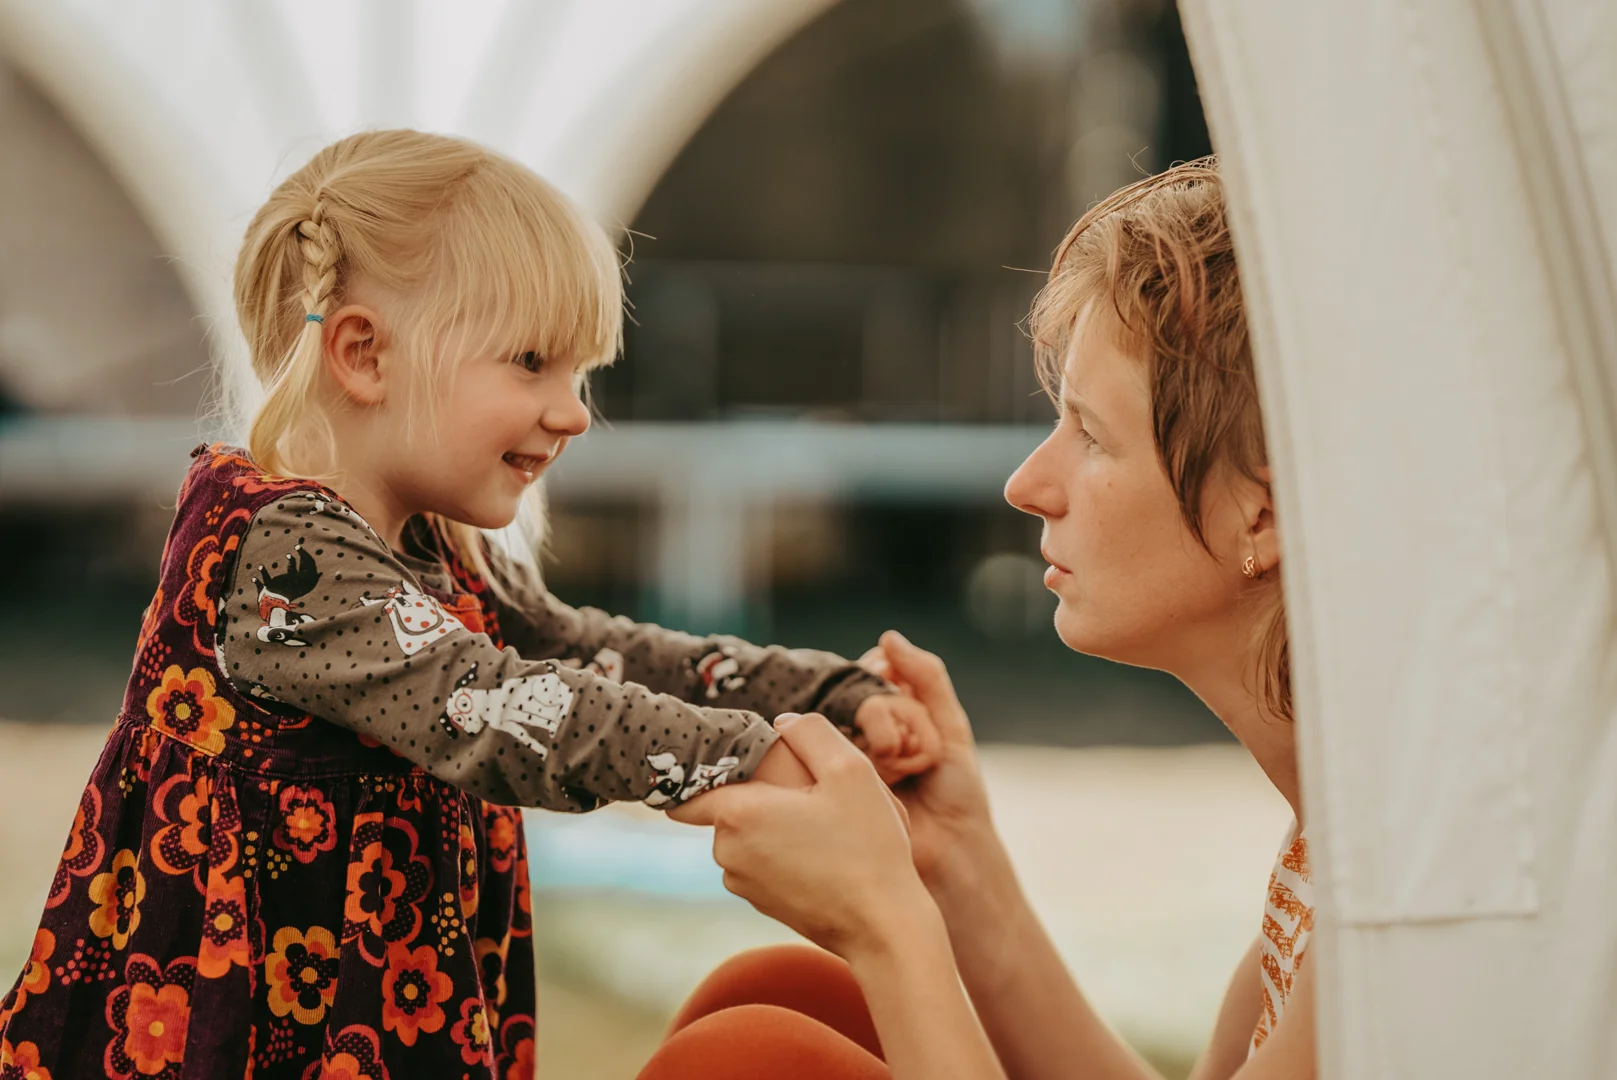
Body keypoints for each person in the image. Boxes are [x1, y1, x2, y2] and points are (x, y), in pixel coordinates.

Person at [0, 129, 939, 1080]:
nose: (574, 412)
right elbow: (511, 713)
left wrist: (819, 698)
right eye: (531, 361)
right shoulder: (285, 560)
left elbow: (592, 656)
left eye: (579, 373)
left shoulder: (424, 547)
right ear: (363, 354)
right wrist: (753, 754)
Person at [640, 158, 1317, 1080]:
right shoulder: (1331, 829)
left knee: (747, 1060)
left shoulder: (1395, 893)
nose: (1026, 485)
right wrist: (956, 863)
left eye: (1091, 435)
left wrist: (886, 925)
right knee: (776, 994)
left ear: (1261, 516)